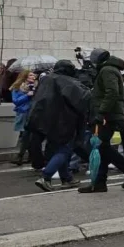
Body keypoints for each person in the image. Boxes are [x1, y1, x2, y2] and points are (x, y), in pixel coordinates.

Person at [81, 48, 124, 192]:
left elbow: (112, 92)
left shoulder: (107, 70)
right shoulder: (110, 69)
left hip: (108, 115)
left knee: (100, 146)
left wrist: (101, 112)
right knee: (101, 147)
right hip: (109, 113)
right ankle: (100, 182)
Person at [30, 61, 90, 192]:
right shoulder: (70, 82)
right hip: (64, 121)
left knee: (59, 149)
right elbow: (82, 100)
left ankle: (67, 178)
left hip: (45, 121)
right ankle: (46, 177)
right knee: (65, 150)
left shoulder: (46, 79)